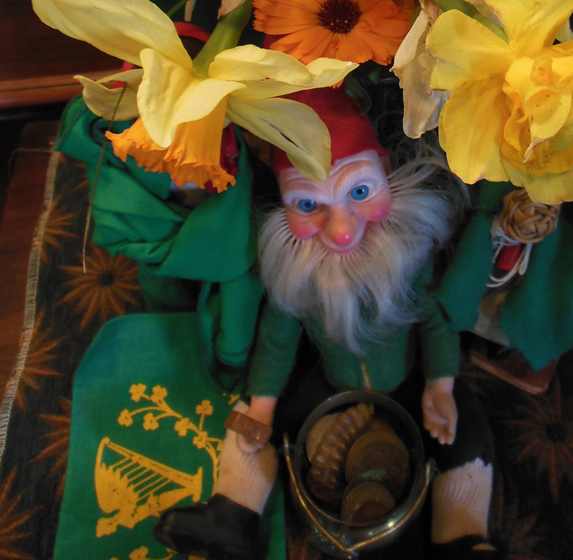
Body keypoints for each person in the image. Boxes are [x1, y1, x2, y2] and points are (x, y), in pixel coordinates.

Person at [154, 88, 496, 559]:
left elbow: (434, 323)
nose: (341, 230)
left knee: (466, 429)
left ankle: (461, 538)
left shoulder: (407, 257)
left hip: (409, 383)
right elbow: (277, 342)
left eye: (360, 191)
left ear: (386, 175)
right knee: (250, 423)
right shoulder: (298, 273)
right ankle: (233, 513)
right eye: (308, 204)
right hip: (327, 387)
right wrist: (264, 407)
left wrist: (439, 385)